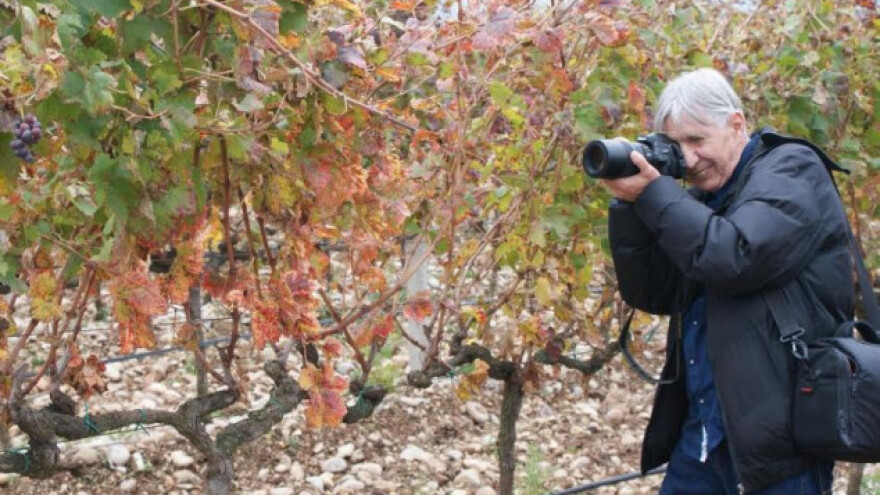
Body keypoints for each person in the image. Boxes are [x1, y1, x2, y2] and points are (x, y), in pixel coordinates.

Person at [600, 68, 852, 494]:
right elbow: (654, 292)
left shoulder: (792, 170)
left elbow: (734, 257)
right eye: (676, 146)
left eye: (698, 141)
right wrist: (629, 207)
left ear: (736, 124)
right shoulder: (700, 200)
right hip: (702, 438)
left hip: (779, 451)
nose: (689, 159)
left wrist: (657, 195)